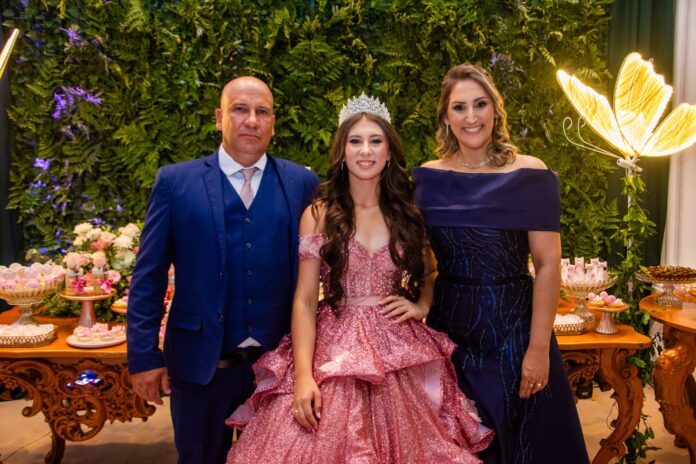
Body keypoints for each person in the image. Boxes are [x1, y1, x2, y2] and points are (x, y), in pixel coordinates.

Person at [225, 94, 493, 463]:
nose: (365, 151)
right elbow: (305, 300)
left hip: (396, 347)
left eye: (375, 141)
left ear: (388, 152)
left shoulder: (408, 215)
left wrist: (421, 304)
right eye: (355, 141)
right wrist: (303, 376)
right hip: (334, 346)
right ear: (342, 151)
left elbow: (431, 271)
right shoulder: (319, 214)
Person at [126, 76, 320, 464]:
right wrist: (143, 356)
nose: (252, 120)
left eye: (262, 112)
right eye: (240, 109)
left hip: (276, 368)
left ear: (273, 123)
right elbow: (149, 276)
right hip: (200, 367)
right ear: (219, 118)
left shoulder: (302, 183)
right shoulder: (175, 182)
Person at [412, 63, 590, 464]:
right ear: (446, 117)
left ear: (496, 109)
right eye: (459, 107)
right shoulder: (426, 180)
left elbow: (547, 264)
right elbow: (425, 264)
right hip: (450, 336)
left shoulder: (529, 174)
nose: (471, 117)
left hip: (515, 334)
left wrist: (538, 349)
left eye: (480, 104)